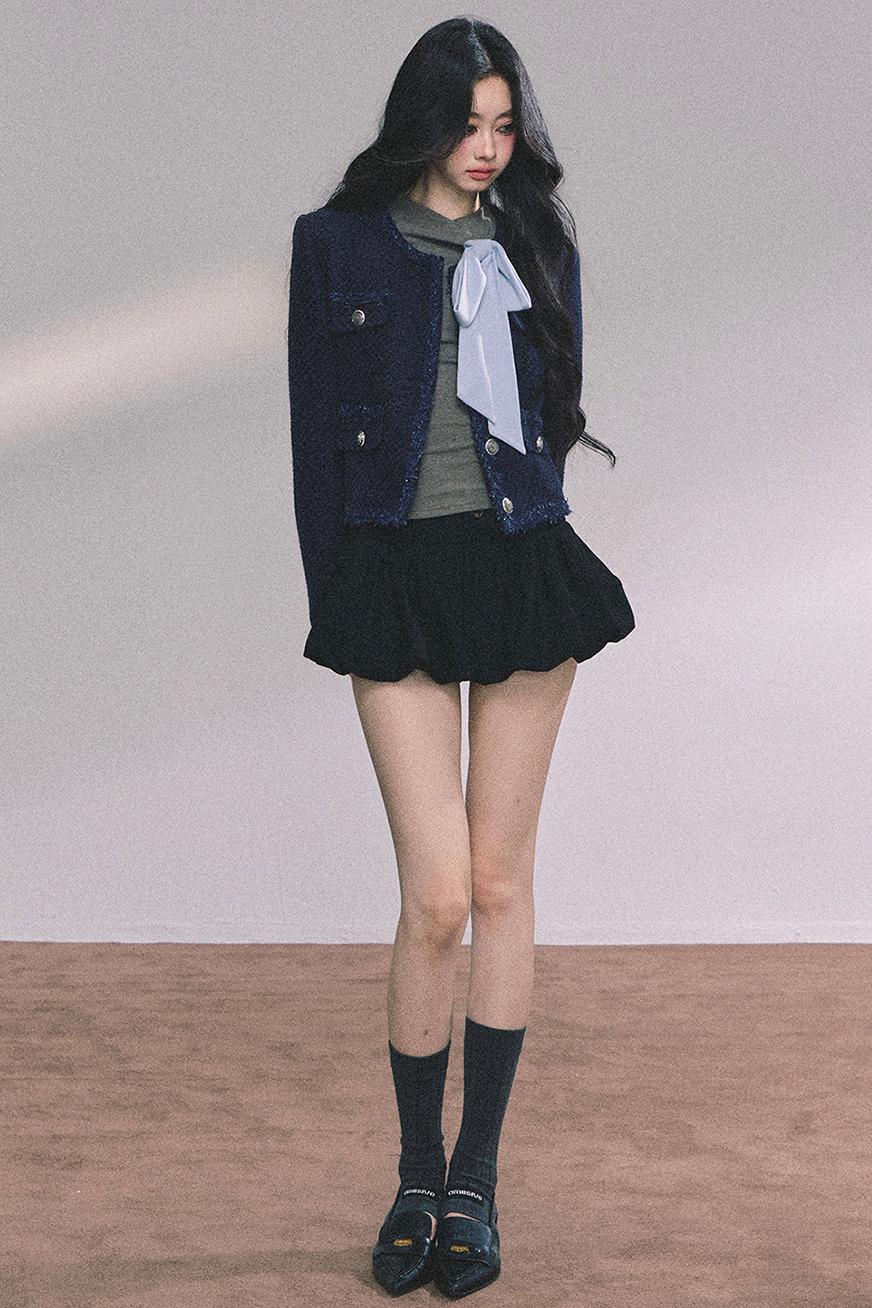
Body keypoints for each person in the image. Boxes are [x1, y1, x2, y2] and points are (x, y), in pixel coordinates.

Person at [286, 16, 635, 1298]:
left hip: (518, 564)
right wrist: (341, 595)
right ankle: (413, 1173)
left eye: (501, 126)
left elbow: (549, 414)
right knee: (433, 894)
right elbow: (312, 442)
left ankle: (473, 1184)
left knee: (497, 880)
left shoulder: (535, 243)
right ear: (420, 121)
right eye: (464, 124)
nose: (485, 149)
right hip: (393, 574)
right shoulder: (334, 245)